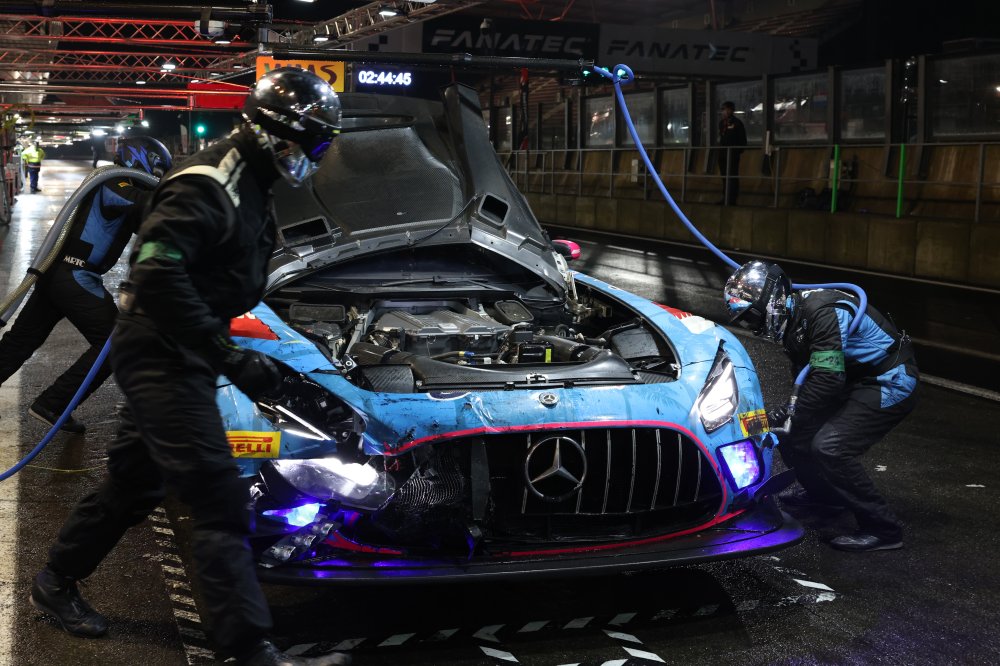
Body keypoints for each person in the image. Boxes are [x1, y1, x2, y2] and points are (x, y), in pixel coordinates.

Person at [29, 68, 349, 666]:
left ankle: (55, 579)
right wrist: (228, 357)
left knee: (134, 484)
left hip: (183, 349)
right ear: (278, 134)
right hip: (162, 353)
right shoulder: (206, 184)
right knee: (218, 497)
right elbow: (157, 274)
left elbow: (224, 270)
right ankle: (249, 651)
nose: (314, 158)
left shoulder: (253, 181)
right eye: (313, 145)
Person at [723, 260, 918, 552]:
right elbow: (811, 378)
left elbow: (827, 380)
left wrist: (785, 413)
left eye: (751, 318)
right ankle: (827, 497)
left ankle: (883, 529)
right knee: (793, 434)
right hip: (852, 379)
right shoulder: (794, 317)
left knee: (830, 447)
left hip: (889, 379)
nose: (752, 326)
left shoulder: (823, 312)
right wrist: (785, 417)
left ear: (772, 302)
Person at [0, 137, 170, 433]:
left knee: (20, 342)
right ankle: (53, 404)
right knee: (116, 343)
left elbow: (149, 224)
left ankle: (53, 405)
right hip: (74, 275)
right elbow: (147, 204)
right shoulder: (113, 183)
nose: (157, 177)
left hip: (57, 273)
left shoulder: (116, 183)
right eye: (158, 171)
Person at [717, 101, 746, 205]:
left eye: (725, 109)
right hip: (723, 153)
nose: (723, 112)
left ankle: (732, 198)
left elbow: (742, 140)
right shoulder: (722, 123)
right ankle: (725, 196)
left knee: (732, 175)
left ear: (730, 110)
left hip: (732, 154)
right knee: (725, 176)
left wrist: (736, 151)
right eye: (723, 110)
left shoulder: (737, 123)